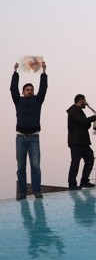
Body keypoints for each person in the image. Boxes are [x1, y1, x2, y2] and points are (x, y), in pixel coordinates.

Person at [10, 61, 47, 200]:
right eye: (27, 90)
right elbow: (13, 88)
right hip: (20, 138)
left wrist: (43, 72)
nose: (30, 91)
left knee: (35, 166)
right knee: (21, 167)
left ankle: (37, 191)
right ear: (23, 92)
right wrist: (15, 72)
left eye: (32, 89)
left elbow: (44, 88)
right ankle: (22, 192)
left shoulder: (38, 100)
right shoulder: (18, 101)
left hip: (34, 138)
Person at [66, 94, 96, 190]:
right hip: (76, 142)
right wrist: (94, 117)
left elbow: (86, 124)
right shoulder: (73, 111)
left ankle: (84, 180)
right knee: (75, 162)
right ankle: (72, 184)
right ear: (81, 100)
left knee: (90, 158)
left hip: (84, 142)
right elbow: (82, 121)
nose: (86, 102)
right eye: (85, 100)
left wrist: (89, 120)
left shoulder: (80, 111)